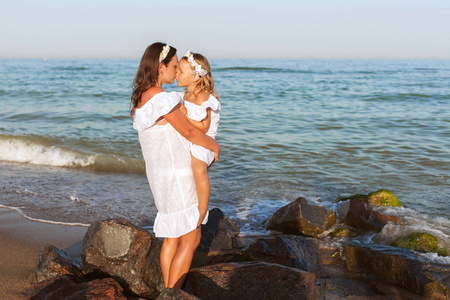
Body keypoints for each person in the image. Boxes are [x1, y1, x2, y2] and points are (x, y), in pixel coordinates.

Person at [130, 42, 220, 289]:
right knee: (191, 238)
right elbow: (191, 131)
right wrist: (214, 147)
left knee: (171, 237)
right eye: (173, 65)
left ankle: (168, 292)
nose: (175, 71)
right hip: (177, 176)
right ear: (160, 67)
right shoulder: (162, 99)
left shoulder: (142, 97)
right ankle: (173, 293)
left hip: (159, 177)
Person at [175, 51, 220, 229]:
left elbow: (203, 127)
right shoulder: (184, 96)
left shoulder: (204, 97)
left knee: (198, 168)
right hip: (190, 138)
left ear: (195, 77)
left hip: (204, 140)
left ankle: (202, 208)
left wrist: (184, 114)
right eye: (176, 70)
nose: (177, 73)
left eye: (181, 71)